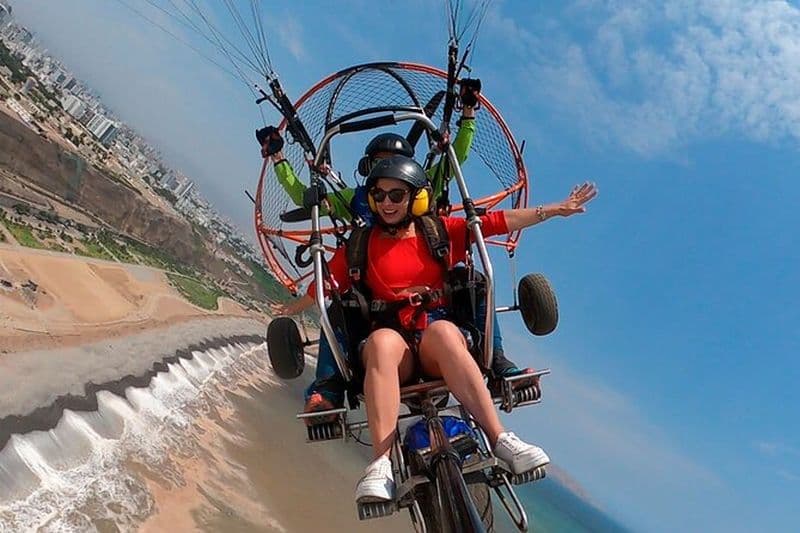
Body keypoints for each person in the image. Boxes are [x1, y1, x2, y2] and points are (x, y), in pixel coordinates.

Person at [301, 155, 596, 502]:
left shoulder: (440, 231)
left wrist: (555, 210)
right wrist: (293, 306)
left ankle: (501, 439)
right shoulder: (360, 244)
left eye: (396, 195)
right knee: (381, 342)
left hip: (434, 340)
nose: (386, 203)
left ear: (416, 198)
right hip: (393, 348)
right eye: (378, 195)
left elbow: (500, 222)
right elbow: (321, 287)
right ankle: (380, 466)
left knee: (443, 331)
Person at [264, 84, 537, 417]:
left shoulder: (426, 189)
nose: (388, 184)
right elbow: (303, 198)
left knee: (476, 283)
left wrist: (468, 115)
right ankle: (327, 387)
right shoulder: (356, 201)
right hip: (379, 290)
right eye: (380, 168)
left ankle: (497, 363)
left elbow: (458, 158)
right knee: (339, 306)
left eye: (395, 165)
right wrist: (279, 159)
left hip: (435, 299)